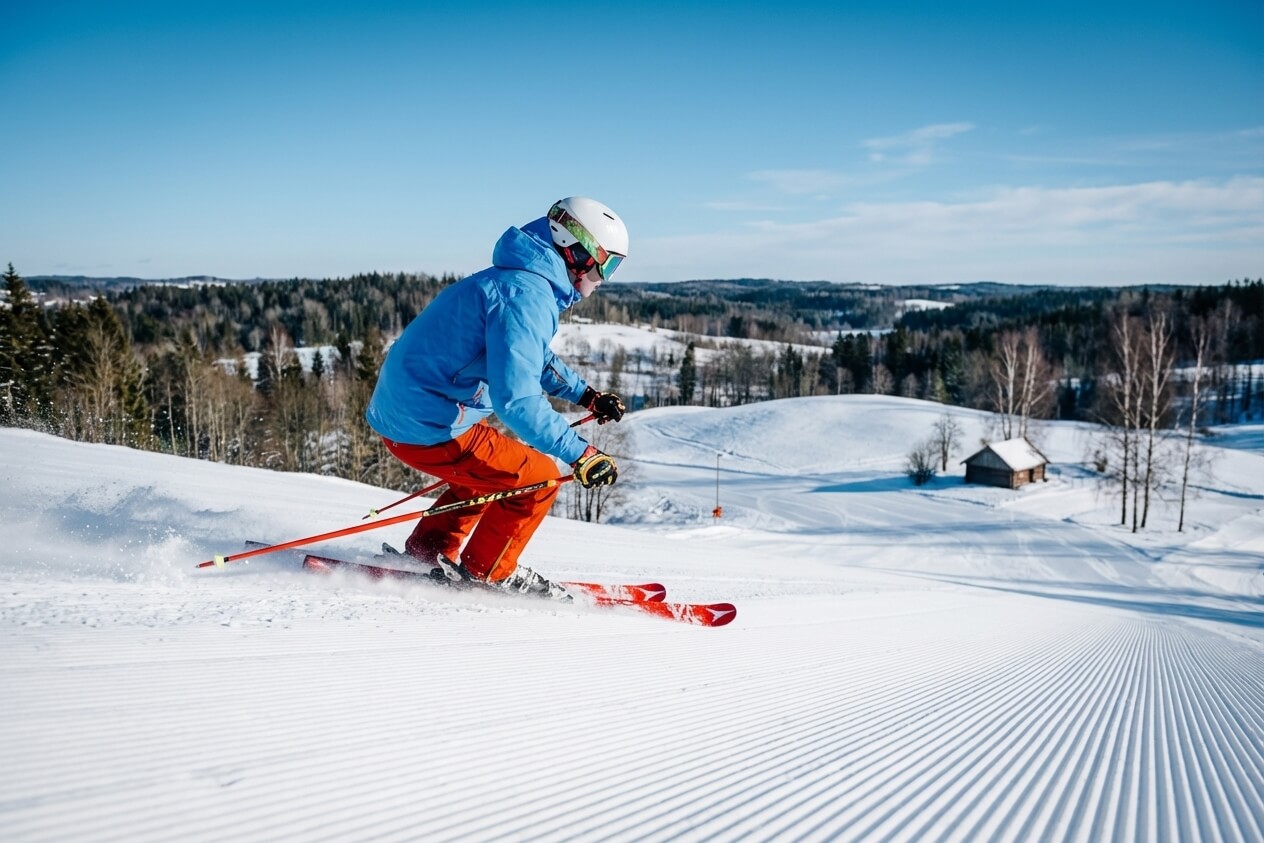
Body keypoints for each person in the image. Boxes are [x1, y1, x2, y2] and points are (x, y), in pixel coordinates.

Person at [365, 196, 629, 598]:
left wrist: (587, 396)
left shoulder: (518, 282)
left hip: (406, 416)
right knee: (537, 480)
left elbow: (534, 361)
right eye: (606, 264)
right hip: (430, 425)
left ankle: (425, 553)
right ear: (576, 252)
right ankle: (490, 573)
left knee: (484, 480)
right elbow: (517, 401)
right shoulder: (527, 295)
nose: (603, 278)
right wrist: (581, 454)